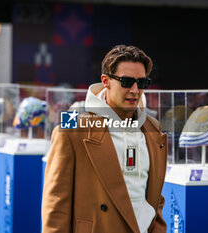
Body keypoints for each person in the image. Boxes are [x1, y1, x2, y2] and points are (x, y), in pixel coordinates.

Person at [42, 45, 168, 233]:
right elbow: (56, 206)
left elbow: (155, 197)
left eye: (142, 83)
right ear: (106, 81)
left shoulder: (153, 128)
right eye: (126, 82)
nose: (135, 90)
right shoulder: (70, 128)